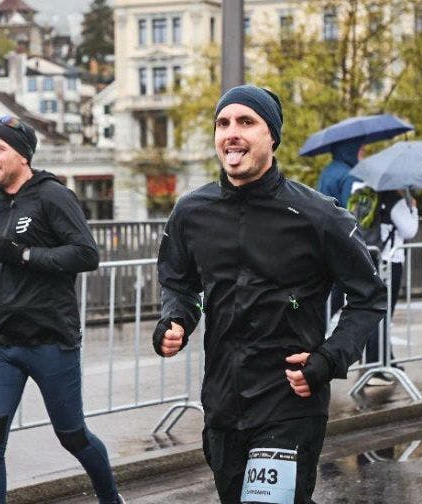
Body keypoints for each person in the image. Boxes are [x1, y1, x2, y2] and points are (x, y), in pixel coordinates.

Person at [153, 85, 385, 504]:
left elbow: (369, 296)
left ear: (272, 137)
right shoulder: (191, 211)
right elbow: (178, 281)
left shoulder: (319, 216)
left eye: (246, 122)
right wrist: (176, 319)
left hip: (289, 398)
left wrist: (329, 358)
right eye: (223, 123)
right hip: (223, 400)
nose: (232, 133)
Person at [0, 115, 123, 504]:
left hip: (51, 340)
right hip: (0, 343)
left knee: (72, 436)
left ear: (22, 155)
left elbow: (86, 254)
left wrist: (24, 255)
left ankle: (110, 499)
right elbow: (9, 257)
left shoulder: (54, 196)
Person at [361, 189, 418, 385]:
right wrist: (414, 210)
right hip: (390, 261)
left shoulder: (370, 194)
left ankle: (385, 360)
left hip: (371, 257)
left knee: (374, 311)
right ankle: (375, 367)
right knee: (382, 314)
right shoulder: (396, 200)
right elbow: (410, 230)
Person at [316, 139, 366, 322]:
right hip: (341, 246)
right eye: (361, 149)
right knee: (354, 299)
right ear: (351, 150)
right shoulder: (350, 176)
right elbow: (352, 213)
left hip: (322, 241)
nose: (364, 153)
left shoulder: (328, 171)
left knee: (326, 299)